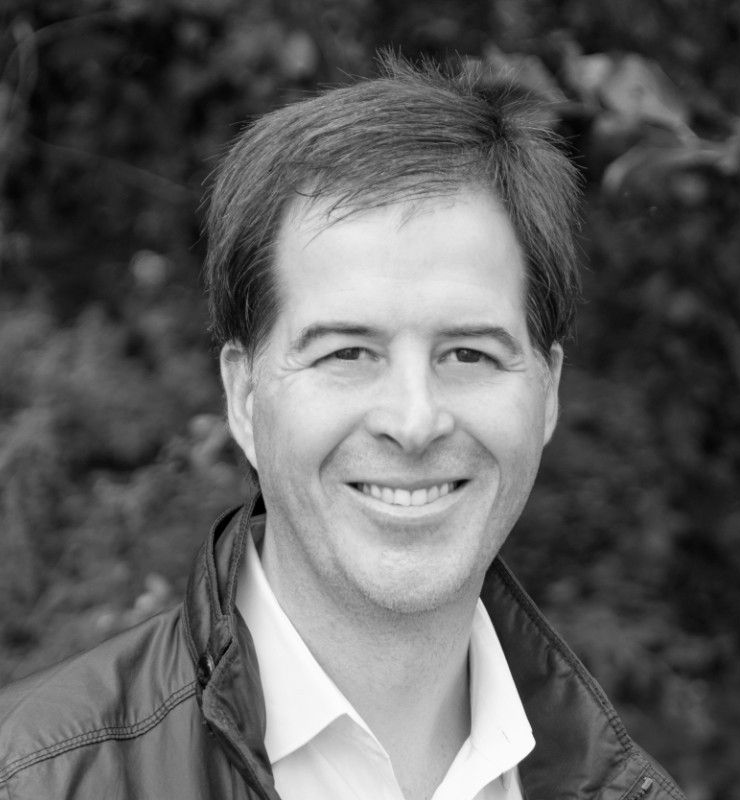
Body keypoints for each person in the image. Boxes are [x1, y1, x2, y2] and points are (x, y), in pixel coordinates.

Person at [0, 54, 685, 800]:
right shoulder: (38, 778)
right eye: (347, 353)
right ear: (243, 396)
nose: (415, 421)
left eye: (468, 352)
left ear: (546, 391)